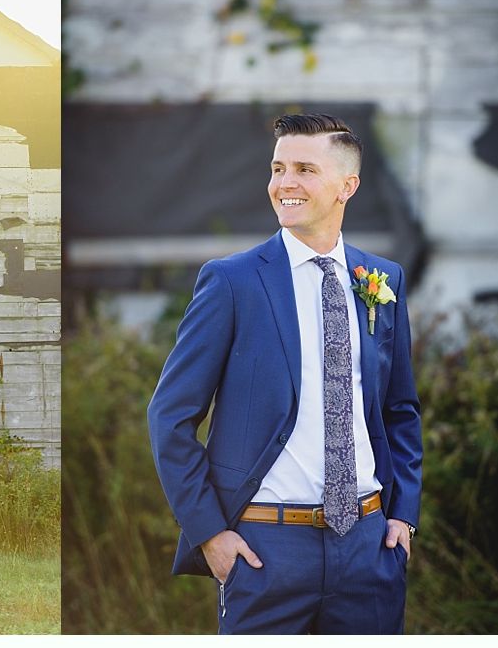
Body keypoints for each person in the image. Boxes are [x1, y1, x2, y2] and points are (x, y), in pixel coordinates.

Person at [147, 113, 422, 634]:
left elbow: (399, 408)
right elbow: (170, 416)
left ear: (348, 186)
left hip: (369, 548)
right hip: (264, 551)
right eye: (278, 168)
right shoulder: (232, 282)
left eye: (304, 169)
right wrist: (210, 535)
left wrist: (402, 516)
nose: (284, 183)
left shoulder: (382, 281)